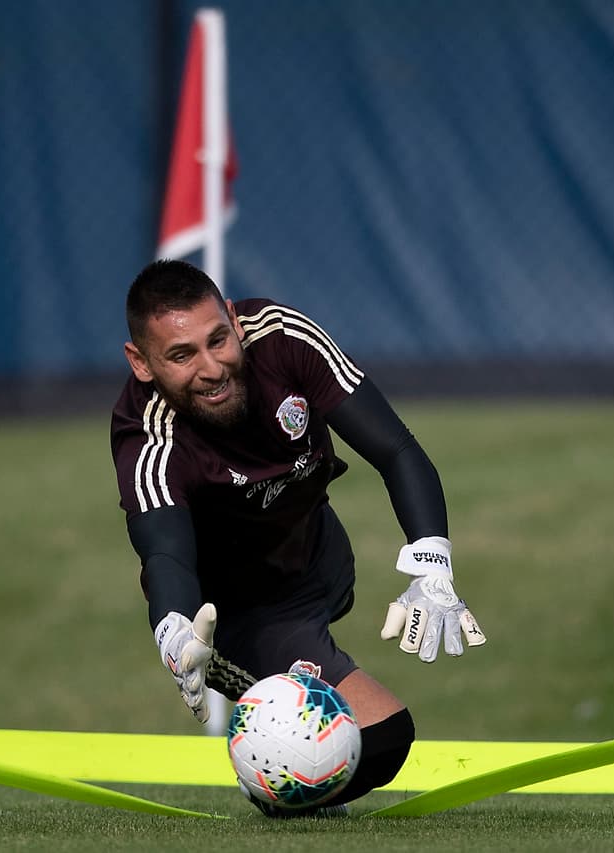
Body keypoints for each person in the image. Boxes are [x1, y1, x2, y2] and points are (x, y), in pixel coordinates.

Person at [110, 259, 485, 816]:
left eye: (218, 340)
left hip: (319, 557)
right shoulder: (149, 436)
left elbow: (396, 450)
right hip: (241, 613)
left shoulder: (285, 338)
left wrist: (433, 563)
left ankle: (289, 759)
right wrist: (175, 631)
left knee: (350, 726)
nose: (212, 368)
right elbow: (164, 553)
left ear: (235, 321)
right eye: (182, 355)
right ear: (141, 362)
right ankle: (273, 777)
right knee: (383, 738)